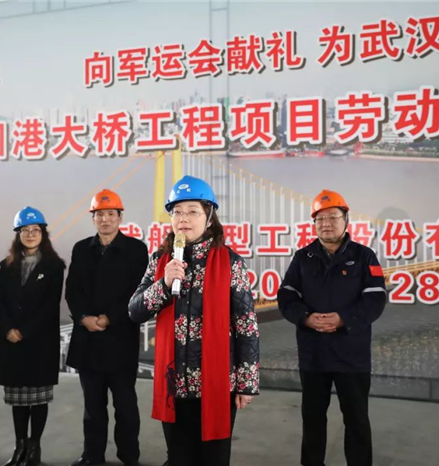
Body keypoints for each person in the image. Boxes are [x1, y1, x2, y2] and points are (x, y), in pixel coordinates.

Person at [128, 175, 260, 466]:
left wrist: (247, 382)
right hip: (173, 384)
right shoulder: (160, 261)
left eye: (192, 211)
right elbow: (135, 311)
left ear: (209, 218)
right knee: (178, 458)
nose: (183, 218)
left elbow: (246, 326)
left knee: (213, 458)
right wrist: (163, 285)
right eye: (177, 211)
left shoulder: (230, 263)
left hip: (217, 384)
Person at [278, 189, 386, 466]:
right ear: (314, 224)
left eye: (333, 217)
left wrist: (343, 319)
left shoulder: (364, 256)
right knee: (312, 418)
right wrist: (305, 317)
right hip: (313, 353)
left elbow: (375, 299)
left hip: (352, 353)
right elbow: (286, 296)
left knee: (356, 419)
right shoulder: (303, 257)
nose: (326, 224)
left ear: (346, 220)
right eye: (320, 219)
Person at [65, 189, 149, 466]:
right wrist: (83, 318)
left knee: (125, 406)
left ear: (120, 217)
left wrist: (109, 318)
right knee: (92, 406)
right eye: (99, 214)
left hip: (120, 339)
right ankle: (92, 456)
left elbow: (138, 291)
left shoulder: (136, 250)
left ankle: (129, 456)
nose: (105, 219)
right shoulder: (81, 249)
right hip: (88, 339)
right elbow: (72, 290)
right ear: (93, 218)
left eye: (111, 214)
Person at [0, 207, 65, 466]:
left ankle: (35, 447)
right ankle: (20, 446)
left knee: (38, 398)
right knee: (19, 400)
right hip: (12, 342)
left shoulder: (54, 266)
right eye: (25, 230)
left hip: (39, 342)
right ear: (18, 234)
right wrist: (8, 329)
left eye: (36, 230)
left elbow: (50, 305)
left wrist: (24, 331)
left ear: (43, 234)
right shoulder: (7, 265)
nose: (31, 234)